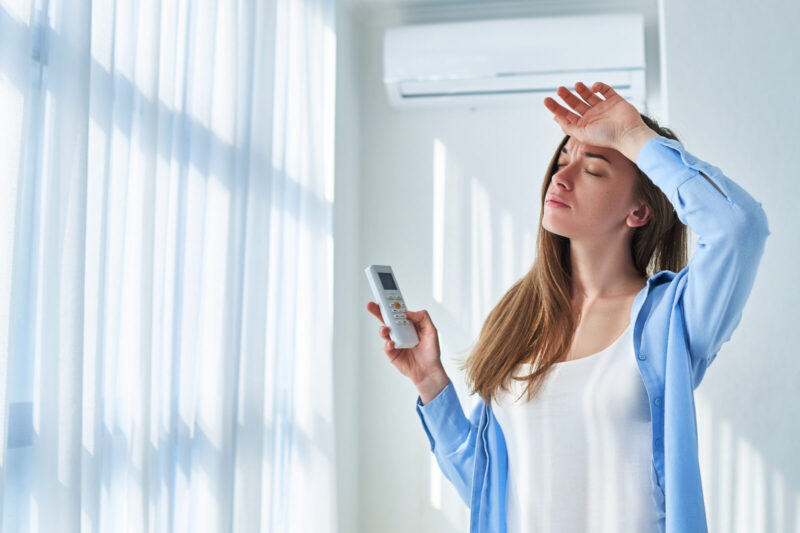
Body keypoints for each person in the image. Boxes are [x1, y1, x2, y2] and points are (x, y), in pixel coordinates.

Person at [366, 81, 770, 533]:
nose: (561, 178)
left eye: (593, 170)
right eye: (562, 160)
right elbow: (487, 489)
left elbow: (740, 227)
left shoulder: (670, 316)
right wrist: (429, 381)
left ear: (639, 211)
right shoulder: (519, 318)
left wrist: (634, 136)